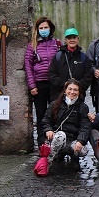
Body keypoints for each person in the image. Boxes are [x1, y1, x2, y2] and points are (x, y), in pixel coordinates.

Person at [24, 16, 62, 145]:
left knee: (55, 113)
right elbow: (28, 66)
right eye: (41, 28)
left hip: (55, 84)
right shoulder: (32, 45)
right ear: (37, 30)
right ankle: (42, 142)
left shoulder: (57, 44)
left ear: (50, 28)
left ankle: (55, 141)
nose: (44, 30)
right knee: (41, 114)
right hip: (39, 84)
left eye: (46, 27)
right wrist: (32, 86)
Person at [40, 78, 91, 172]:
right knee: (60, 136)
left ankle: (74, 158)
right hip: (57, 137)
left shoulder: (83, 107)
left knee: (83, 150)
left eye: (75, 90)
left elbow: (85, 127)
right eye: (70, 89)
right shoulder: (55, 104)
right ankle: (49, 161)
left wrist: (80, 140)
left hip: (73, 138)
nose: (72, 92)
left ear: (79, 92)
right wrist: (48, 130)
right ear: (65, 90)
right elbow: (46, 120)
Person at [48, 28, 95, 101]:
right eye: (69, 38)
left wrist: (77, 87)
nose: (72, 40)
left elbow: (88, 76)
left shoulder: (84, 57)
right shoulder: (58, 56)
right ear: (65, 40)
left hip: (78, 96)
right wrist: (64, 85)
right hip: (59, 96)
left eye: (74, 37)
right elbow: (52, 74)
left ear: (78, 39)